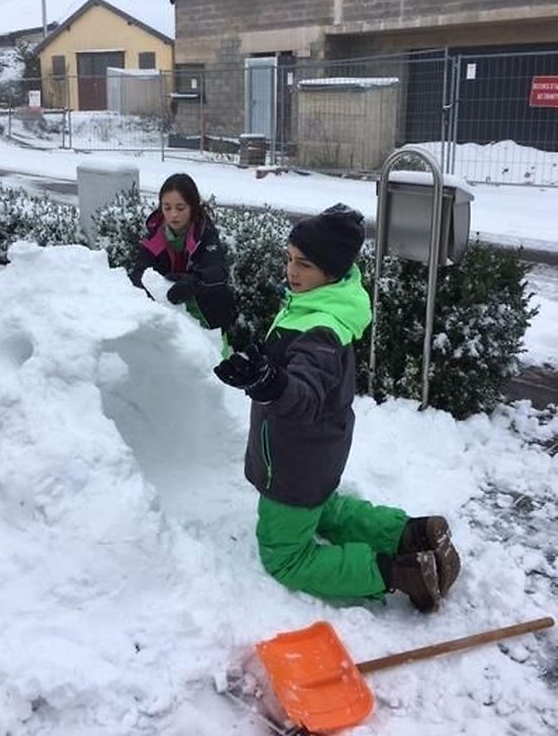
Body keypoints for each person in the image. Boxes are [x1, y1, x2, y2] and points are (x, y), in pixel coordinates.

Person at [213, 204, 460, 612]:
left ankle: (399, 574)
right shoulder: (317, 304)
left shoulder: (321, 330)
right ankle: (410, 534)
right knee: (327, 509)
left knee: (286, 556)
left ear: (331, 272)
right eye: (289, 259)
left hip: (292, 466)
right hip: (316, 455)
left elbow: (304, 392)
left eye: (304, 264)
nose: (291, 272)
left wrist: (268, 383)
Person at [129, 172, 237, 339]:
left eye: (180, 208)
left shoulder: (204, 233)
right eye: (167, 207)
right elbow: (139, 274)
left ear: (192, 207)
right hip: (166, 322)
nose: (173, 215)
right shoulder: (153, 236)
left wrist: (194, 282)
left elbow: (217, 271)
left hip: (209, 318)